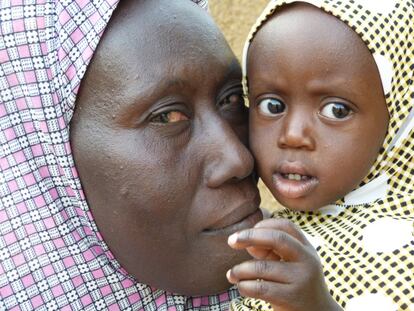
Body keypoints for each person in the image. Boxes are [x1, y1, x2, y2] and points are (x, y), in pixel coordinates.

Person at [0, 0, 263, 309]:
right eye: (167, 117)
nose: (239, 159)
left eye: (231, 98)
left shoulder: (319, 268)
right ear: (54, 158)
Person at [225, 0, 414, 310]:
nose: (293, 135)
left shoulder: (402, 255)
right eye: (272, 105)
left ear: (401, 117)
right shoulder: (263, 236)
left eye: (336, 110)